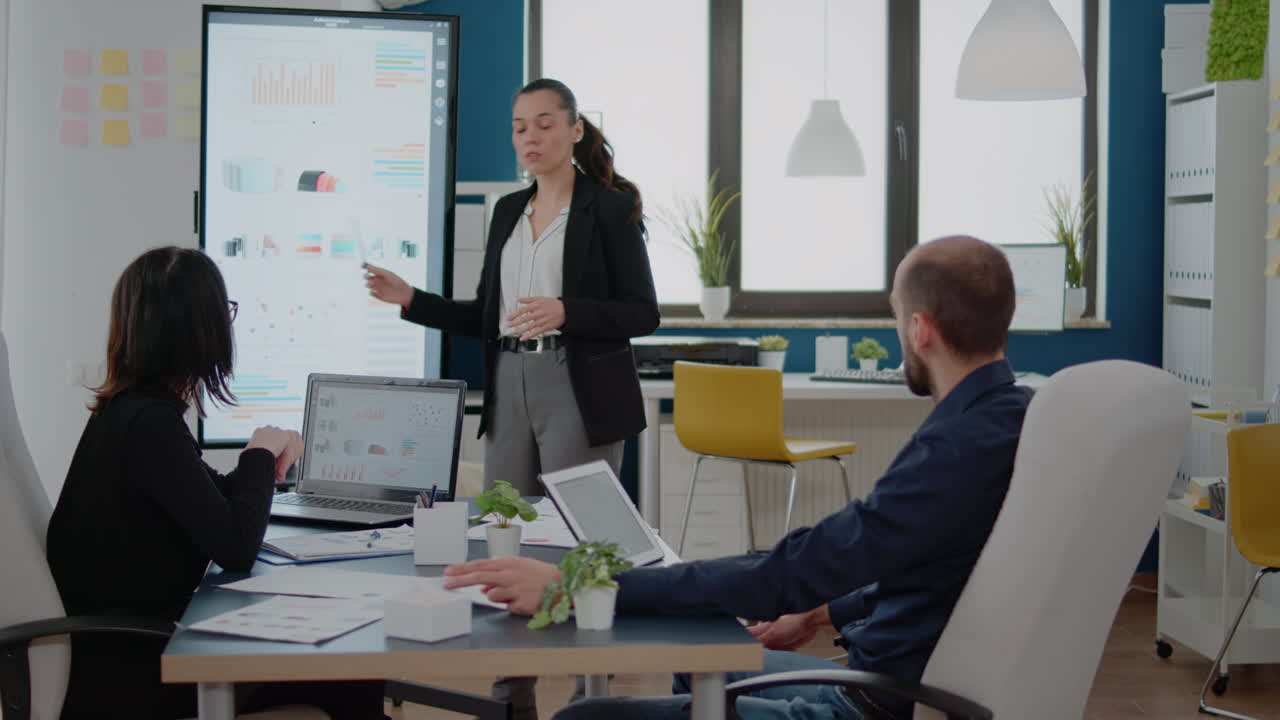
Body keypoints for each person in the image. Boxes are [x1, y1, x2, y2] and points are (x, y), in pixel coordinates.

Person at [443, 235, 1034, 720]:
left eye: (897, 320)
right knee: (698, 658)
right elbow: (929, 563)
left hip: (869, 703)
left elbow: (792, 571)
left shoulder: (952, 451)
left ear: (920, 330)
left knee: (586, 717)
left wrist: (578, 588)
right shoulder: (1009, 419)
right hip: (896, 674)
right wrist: (821, 615)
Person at [363, 78, 659, 719]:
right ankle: (511, 696)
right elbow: (485, 314)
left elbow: (643, 312)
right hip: (508, 379)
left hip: (576, 383)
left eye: (546, 124)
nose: (532, 137)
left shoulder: (607, 209)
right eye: (521, 126)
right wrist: (412, 300)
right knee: (507, 537)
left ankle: (590, 695)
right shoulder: (506, 211)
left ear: (575, 130)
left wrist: (566, 310)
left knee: (582, 543)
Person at [46, 246, 386, 720]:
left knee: (343, 667)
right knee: (349, 669)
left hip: (129, 656)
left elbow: (212, 499)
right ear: (199, 328)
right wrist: (260, 453)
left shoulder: (130, 411)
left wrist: (262, 459)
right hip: (135, 673)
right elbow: (236, 546)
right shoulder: (150, 424)